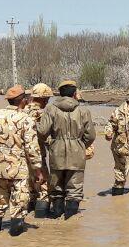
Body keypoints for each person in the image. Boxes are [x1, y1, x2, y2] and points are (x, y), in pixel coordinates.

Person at [0, 84, 42, 236]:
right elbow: (32, 148)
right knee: (19, 205)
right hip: (18, 171)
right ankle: (15, 240)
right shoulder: (26, 119)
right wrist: (38, 170)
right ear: (23, 101)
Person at [36, 79, 96, 218]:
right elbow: (91, 135)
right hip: (77, 153)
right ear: (75, 94)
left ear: (60, 94)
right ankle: (70, 222)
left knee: (56, 188)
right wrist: (81, 146)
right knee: (74, 189)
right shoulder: (83, 110)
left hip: (56, 152)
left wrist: (51, 143)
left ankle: (57, 216)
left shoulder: (51, 109)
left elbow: (43, 131)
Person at [25, 82, 53, 216]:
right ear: (44, 98)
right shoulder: (42, 113)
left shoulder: (21, 110)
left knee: (29, 186)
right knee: (43, 187)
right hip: (37, 155)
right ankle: (41, 217)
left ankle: (28, 210)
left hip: (21, 157)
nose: (48, 101)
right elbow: (45, 135)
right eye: (47, 99)